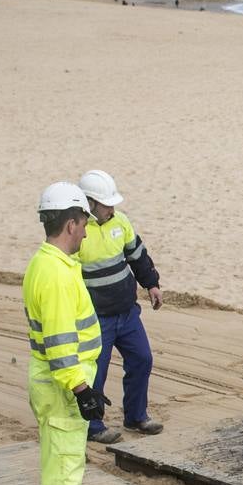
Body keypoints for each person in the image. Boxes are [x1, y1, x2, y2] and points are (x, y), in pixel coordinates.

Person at [24, 182, 115, 485]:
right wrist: (81, 389)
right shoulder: (56, 275)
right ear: (72, 224)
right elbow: (61, 343)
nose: (86, 233)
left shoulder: (47, 264)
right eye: (84, 224)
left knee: (71, 462)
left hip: (60, 381)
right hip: (63, 384)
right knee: (62, 466)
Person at [75, 170, 164, 443]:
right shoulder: (77, 232)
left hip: (127, 313)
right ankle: (93, 427)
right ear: (89, 203)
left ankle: (136, 416)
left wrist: (151, 284)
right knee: (95, 373)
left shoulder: (121, 222)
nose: (111, 209)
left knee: (142, 359)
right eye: (106, 204)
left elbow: (137, 255)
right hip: (96, 319)